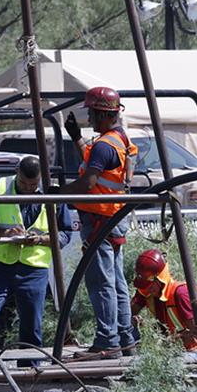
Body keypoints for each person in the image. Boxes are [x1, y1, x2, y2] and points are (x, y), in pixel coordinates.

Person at [58, 86, 139, 359]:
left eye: (92, 113)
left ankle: (107, 342)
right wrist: (77, 138)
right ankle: (125, 338)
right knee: (116, 282)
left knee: (101, 283)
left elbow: (89, 181)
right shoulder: (119, 140)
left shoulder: (105, 145)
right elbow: (98, 163)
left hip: (100, 220)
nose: (89, 118)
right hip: (112, 219)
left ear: (103, 114)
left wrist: (57, 193)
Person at [0, 156, 73, 366]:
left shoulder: (52, 193)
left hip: (34, 269)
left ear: (40, 179)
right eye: (24, 183)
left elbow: (65, 233)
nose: (28, 188)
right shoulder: (0, 187)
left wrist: (41, 239)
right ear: (17, 173)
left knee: (31, 323)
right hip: (1, 267)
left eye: (33, 185)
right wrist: (2, 233)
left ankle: (29, 370)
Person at [130, 249, 197, 357]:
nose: (146, 290)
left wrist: (175, 337)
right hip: (168, 350)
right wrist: (138, 323)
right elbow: (129, 313)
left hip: (192, 352)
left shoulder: (180, 293)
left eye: (148, 285)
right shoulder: (146, 292)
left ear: (159, 280)